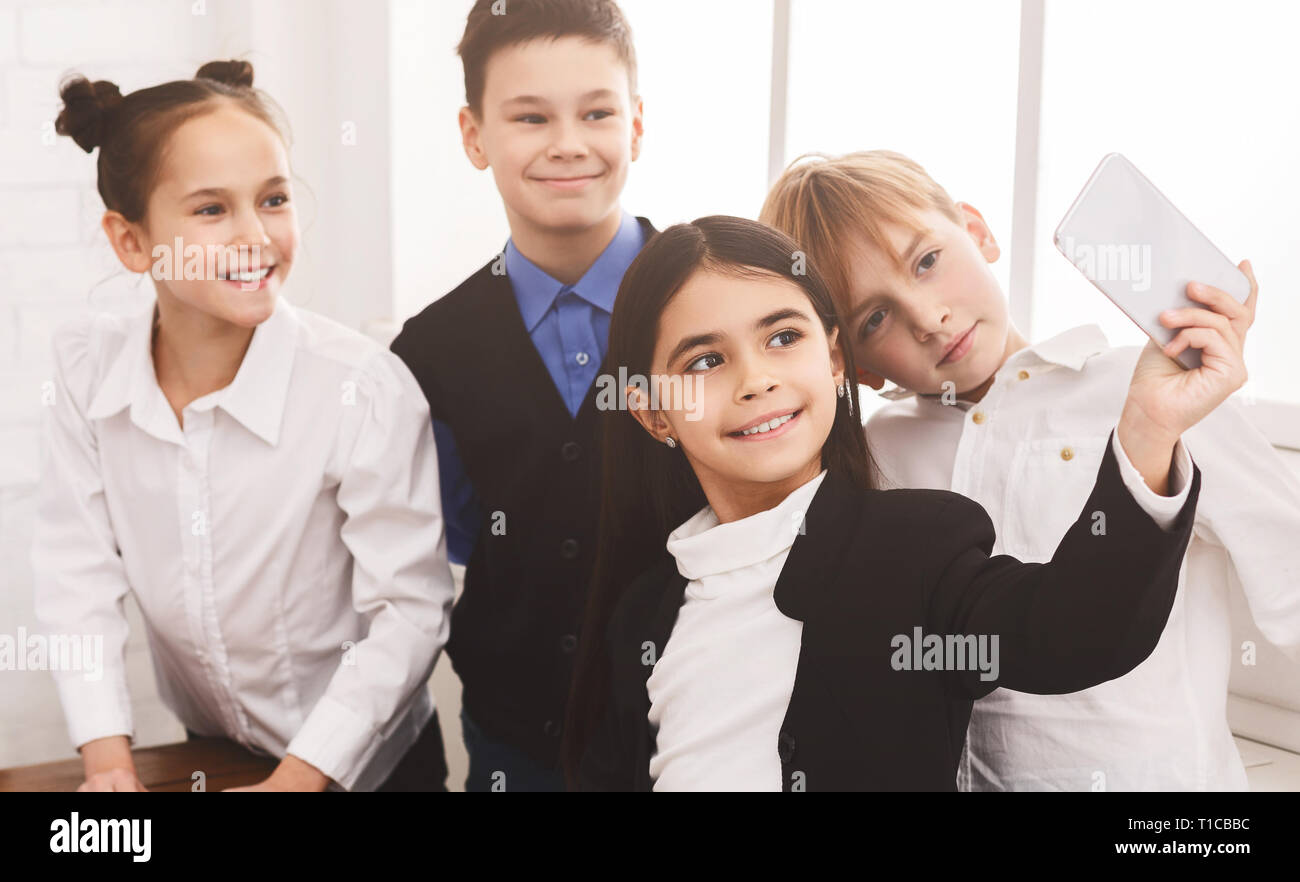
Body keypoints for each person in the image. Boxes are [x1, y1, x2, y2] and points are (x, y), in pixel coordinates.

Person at [563, 214, 1251, 791]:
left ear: (834, 363)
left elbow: (1077, 630)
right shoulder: (643, 611)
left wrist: (1149, 428)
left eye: (782, 338)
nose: (756, 380)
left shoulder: (916, 549)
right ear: (653, 412)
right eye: (705, 362)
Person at [760, 149, 1299, 790]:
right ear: (856, 366)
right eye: (876, 318)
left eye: (927, 261)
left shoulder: (1151, 389)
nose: (929, 318)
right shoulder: (875, 454)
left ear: (977, 230)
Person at [35, 60, 455, 792]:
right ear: (131, 242)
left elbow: (409, 613)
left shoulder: (360, 388)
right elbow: (78, 575)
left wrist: (301, 777)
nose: (254, 235)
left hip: (364, 767)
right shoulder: (84, 366)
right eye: (210, 210)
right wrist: (107, 763)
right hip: (215, 750)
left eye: (274, 199)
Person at [390, 0, 654, 791]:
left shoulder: (715, 307)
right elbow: (449, 541)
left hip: (696, 732)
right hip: (515, 748)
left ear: (636, 124)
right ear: (475, 136)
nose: (568, 144)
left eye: (597, 112)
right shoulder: (430, 350)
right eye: (531, 117)